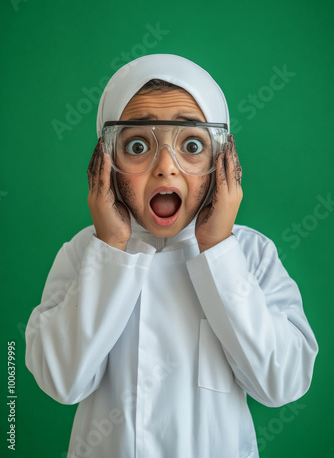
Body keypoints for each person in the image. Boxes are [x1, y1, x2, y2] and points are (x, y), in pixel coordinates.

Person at [25, 54, 318, 458]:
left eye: (192, 145)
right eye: (138, 145)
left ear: (222, 162)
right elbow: (61, 382)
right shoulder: (85, 253)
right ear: (106, 162)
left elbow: (281, 384)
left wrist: (218, 250)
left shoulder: (250, 254)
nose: (166, 168)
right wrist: (109, 248)